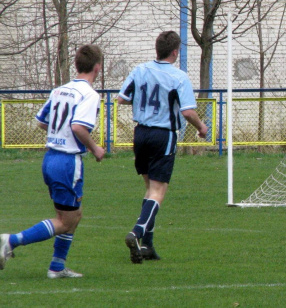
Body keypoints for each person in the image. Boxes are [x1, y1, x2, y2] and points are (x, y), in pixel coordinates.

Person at [0, 44, 106, 278]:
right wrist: (96, 148)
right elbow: (78, 126)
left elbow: (41, 121)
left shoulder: (59, 90)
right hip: (68, 162)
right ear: (97, 67)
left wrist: (60, 131)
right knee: (65, 221)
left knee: (74, 215)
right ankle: (10, 241)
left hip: (51, 159)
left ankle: (57, 267)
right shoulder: (89, 95)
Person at [117, 30, 208, 264]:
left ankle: (147, 245)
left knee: (149, 189)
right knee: (158, 191)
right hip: (163, 135)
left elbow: (122, 98)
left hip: (141, 133)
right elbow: (187, 111)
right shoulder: (179, 77)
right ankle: (137, 233)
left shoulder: (140, 70)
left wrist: (143, 101)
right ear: (175, 52)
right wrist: (202, 127)